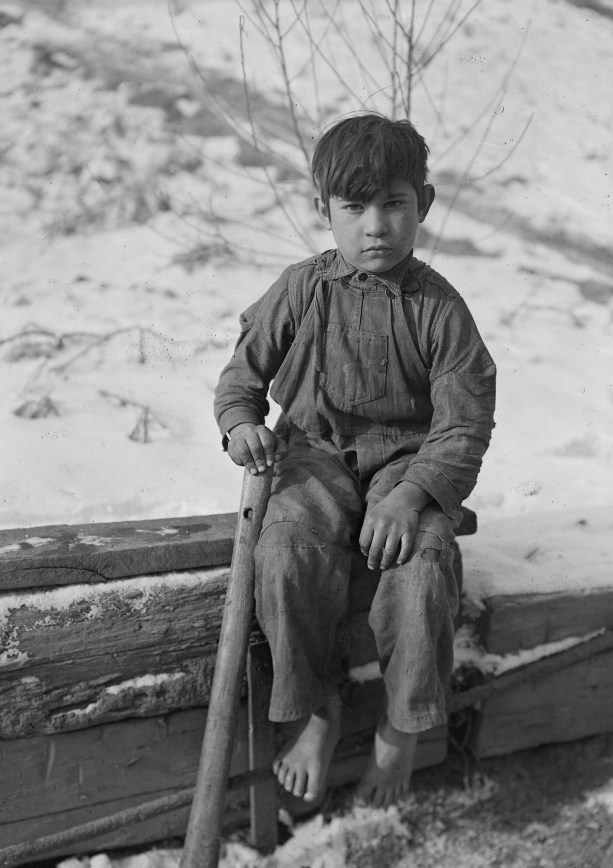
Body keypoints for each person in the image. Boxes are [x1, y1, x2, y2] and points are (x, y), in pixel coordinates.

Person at [214, 113, 496, 808]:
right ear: (323, 211)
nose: (375, 225)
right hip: (310, 453)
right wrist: (241, 424)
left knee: (424, 565)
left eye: (394, 204)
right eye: (354, 207)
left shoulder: (439, 309)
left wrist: (413, 495)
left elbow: (464, 421)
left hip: (407, 465)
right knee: (284, 551)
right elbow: (240, 377)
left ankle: (401, 728)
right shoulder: (301, 288)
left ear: (421, 205)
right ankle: (316, 708)